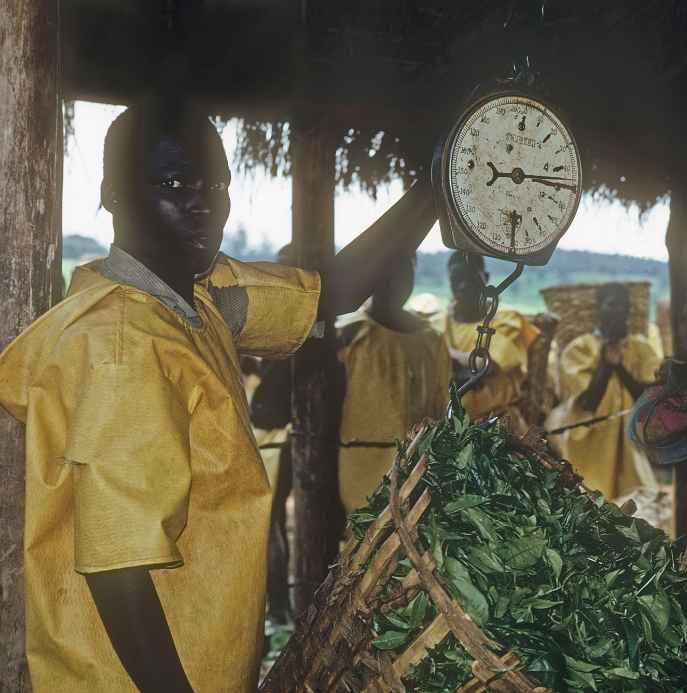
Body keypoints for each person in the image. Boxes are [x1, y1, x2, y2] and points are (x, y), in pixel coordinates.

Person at [0, 97, 437, 692]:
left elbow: (326, 294)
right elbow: (119, 569)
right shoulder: (124, 346)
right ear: (112, 194)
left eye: (219, 182)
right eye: (173, 182)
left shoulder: (200, 297)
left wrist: (437, 189)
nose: (205, 202)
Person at [336, 251, 451, 512]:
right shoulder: (349, 335)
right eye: (387, 271)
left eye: (405, 271)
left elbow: (440, 403)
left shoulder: (432, 339)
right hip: (359, 470)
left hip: (418, 468)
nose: (396, 281)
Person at [549, 283, 661, 498]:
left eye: (624, 306)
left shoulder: (640, 347)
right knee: (590, 502)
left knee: (635, 507)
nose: (618, 311)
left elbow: (649, 396)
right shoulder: (579, 348)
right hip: (590, 447)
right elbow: (588, 402)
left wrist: (619, 366)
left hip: (630, 448)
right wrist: (606, 363)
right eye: (611, 305)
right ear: (599, 309)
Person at [436, 251, 540, 430]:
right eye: (456, 279)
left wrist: (447, 356)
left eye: (470, 278)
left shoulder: (507, 320)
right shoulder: (438, 324)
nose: (463, 286)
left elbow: (485, 366)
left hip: (500, 427)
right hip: (450, 429)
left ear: (485, 278)